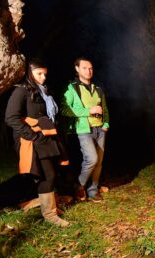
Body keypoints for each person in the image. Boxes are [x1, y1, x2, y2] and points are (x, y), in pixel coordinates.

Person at [5, 59, 69, 227]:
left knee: (51, 173)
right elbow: (11, 118)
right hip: (32, 140)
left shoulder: (43, 92)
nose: (43, 78)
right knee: (47, 175)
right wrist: (33, 136)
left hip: (46, 137)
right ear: (29, 73)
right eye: (39, 73)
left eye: (45, 74)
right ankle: (49, 215)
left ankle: (49, 207)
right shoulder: (21, 91)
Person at [61, 57, 109, 203]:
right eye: (84, 68)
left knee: (99, 162)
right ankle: (80, 185)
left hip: (100, 129)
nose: (89, 71)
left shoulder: (98, 89)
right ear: (77, 69)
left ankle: (93, 190)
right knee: (92, 159)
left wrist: (105, 124)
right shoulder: (72, 88)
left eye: (90, 68)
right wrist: (88, 111)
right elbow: (64, 109)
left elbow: (104, 109)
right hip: (83, 130)